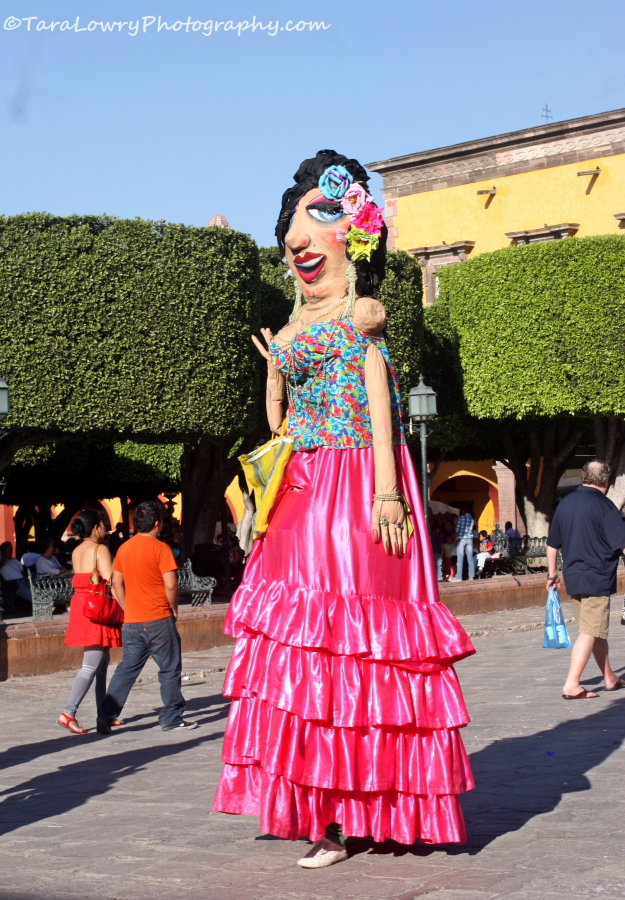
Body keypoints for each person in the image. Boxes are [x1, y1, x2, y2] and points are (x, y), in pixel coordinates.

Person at [213, 150, 475, 868]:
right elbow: (278, 423)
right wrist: (273, 371)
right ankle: (322, 814)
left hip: (358, 486)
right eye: (291, 227)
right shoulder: (294, 329)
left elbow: (380, 404)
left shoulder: (363, 312)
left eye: (317, 218)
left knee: (366, 648)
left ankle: (376, 806)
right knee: (302, 660)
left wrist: (389, 491)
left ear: (353, 235)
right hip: (299, 493)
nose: (299, 240)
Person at [96, 500, 197, 733]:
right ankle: (171, 717)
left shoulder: (124, 549)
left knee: (127, 668)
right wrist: (174, 609)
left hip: (132, 621)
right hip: (158, 618)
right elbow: (171, 585)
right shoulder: (161, 548)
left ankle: (106, 713)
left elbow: (115, 583)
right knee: (169, 668)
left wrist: (126, 606)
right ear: (157, 523)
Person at [547, 459, 625, 699]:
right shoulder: (605, 507)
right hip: (597, 576)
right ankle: (572, 684)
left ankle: (609, 677)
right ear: (606, 480)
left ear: (584, 477)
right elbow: (622, 546)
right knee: (590, 631)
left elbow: (552, 545)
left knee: (594, 629)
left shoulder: (566, 504)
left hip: (574, 576)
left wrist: (552, 574)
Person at [58, 510, 123, 735]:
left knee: (101, 664)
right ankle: (69, 712)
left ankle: (103, 713)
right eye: (104, 525)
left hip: (83, 605)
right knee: (91, 665)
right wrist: (125, 604)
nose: (106, 529)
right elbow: (110, 580)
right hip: (97, 607)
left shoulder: (76, 550)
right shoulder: (100, 549)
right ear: (96, 528)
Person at [452, 508, 475, 581]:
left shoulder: (461, 518)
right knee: (470, 558)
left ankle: (459, 576)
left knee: (460, 558)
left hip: (461, 538)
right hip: (469, 539)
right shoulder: (472, 519)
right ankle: (471, 576)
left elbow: (457, 530)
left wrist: (455, 540)